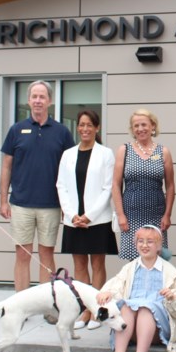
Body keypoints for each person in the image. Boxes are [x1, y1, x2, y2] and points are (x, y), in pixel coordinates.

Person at [0, 80, 75, 292]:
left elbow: (69, 172)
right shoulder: (16, 130)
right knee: (22, 254)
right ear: (28, 100)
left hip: (51, 205)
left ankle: (46, 305)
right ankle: (21, 304)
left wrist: (66, 206)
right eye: (34, 96)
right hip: (21, 204)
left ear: (50, 101)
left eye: (42, 97)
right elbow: (6, 168)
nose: (38, 101)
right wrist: (3, 200)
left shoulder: (62, 132)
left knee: (46, 255)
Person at [56, 109, 117, 329]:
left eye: (89, 125)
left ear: (96, 127)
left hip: (97, 220)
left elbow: (107, 188)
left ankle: (96, 310)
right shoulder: (68, 154)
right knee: (79, 264)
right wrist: (72, 214)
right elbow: (61, 186)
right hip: (73, 220)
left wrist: (88, 216)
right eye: (81, 125)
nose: (84, 129)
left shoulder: (106, 154)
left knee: (98, 263)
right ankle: (84, 310)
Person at [97, 225, 176, 352]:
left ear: (159, 246)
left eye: (150, 242)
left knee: (146, 308)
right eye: (140, 241)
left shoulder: (171, 272)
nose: (144, 245)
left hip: (158, 329)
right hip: (131, 328)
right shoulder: (128, 268)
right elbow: (116, 287)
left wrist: (171, 296)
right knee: (126, 307)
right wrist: (108, 293)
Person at [112, 108, 175, 260]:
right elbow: (115, 184)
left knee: (156, 257)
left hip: (156, 216)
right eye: (136, 126)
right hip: (131, 216)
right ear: (132, 129)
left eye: (144, 125)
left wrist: (167, 215)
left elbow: (170, 186)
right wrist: (120, 215)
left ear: (152, 126)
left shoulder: (163, 151)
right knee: (134, 259)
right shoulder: (124, 150)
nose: (140, 129)